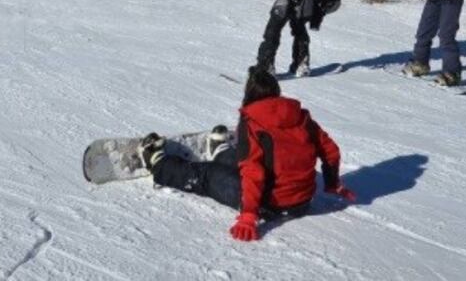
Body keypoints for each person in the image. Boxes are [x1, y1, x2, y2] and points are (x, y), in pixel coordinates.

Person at [138, 68, 355, 241]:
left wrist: (249, 214)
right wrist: (332, 182)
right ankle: (222, 152)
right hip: (303, 202)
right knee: (241, 159)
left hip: (268, 204)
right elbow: (331, 151)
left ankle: (158, 164)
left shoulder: (252, 122)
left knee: (206, 174)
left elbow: (254, 172)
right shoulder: (301, 116)